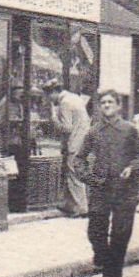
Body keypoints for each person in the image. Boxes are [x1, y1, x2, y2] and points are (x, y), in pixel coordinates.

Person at [74, 90, 139, 277]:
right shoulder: (94, 132)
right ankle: (104, 259)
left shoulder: (129, 130)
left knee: (120, 233)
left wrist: (131, 168)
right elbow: (79, 159)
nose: (106, 105)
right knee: (96, 231)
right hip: (100, 188)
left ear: (118, 106)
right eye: (103, 102)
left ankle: (115, 276)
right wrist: (88, 178)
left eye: (110, 102)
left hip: (125, 189)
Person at [43, 78, 90, 217]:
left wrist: (53, 118)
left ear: (54, 92)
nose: (49, 100)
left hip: (75, 143)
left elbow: (67, 128)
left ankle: (82, 209)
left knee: (74, 175)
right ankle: (67, 205)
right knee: (74, 174)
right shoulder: (75, 98)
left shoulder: (64, 102)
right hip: (83, 143)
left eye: (49, 96)